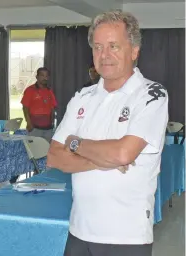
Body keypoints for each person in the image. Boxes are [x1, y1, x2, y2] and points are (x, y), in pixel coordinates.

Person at [47, 10, 168, 256]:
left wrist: (74, 143)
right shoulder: (83, 97)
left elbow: (123, 153)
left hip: (126, 236)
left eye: (114, 46)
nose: (105, 55)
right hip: (79, 230)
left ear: (134, 51)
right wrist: (104, 159)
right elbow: (54, 157)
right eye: (98, 47)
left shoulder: (151, 95)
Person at [21, 67, 57, 142]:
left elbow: (52, 108)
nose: (45, 78)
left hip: (48, 129)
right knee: (34, 152)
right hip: (34, 128)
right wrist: (29, 123)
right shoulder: (30, 90)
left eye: (46, 76)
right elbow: (25, 108)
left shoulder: (49, 91)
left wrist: (52, 122)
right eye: (42, 75)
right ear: (37, 77)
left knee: (47, 151)